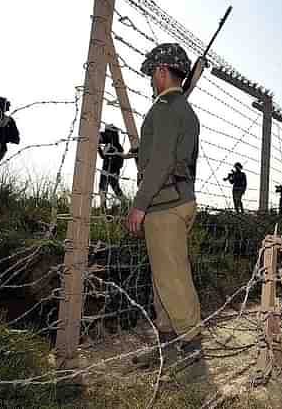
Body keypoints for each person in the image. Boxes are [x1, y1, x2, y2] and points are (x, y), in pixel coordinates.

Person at [124, 43, 203, 373]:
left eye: (152, 74)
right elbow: (169, 154)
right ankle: (169, 347)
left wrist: (139, 204)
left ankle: (191, 352)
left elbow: (162, 162)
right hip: (175, 199)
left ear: (161, 71)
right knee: (163, 280)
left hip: (164, 204)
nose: (150, 81)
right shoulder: (180, 108)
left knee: (172, 279)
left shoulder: (167, 108)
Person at [97, 124, 125, 209]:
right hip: (105, 169)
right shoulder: (109, 145)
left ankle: (125, 204)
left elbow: (120, 160)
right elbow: (103, 156)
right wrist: (98, 147)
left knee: (115, 188)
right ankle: (103, 207)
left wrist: (116, 169)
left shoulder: (118, 147)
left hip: (113, 170)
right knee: (102, 188)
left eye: (107, 133)